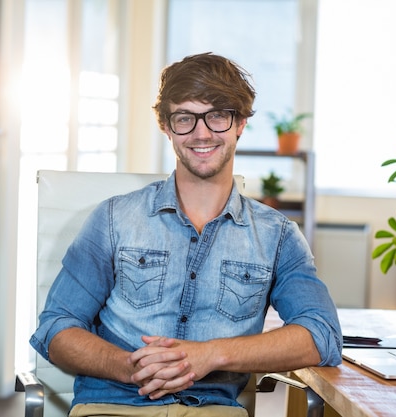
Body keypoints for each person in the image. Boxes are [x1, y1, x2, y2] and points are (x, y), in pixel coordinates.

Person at [30, 52, 342, 417]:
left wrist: (211, 354)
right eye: (185, 118)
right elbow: (56, 327)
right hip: (112, 405)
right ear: (166, 126)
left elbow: (321, 334)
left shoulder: (278, 236)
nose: (202, 133)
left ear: (240, 123)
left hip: (213, 409)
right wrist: (131, 366)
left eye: (218, 116)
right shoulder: (113, 218)